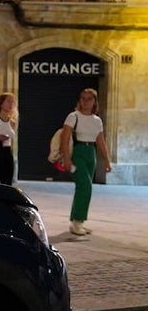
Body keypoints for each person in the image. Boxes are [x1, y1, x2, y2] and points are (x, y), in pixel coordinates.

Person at [60, 88, 112, 236]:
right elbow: (64, 139)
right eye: (83, 98)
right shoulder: (73, 116)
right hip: (78, 152)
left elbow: (101, 141)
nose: (85, 101)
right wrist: (67, 158)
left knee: (83, 188)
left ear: (94, 102)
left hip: (91, 153)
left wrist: (107, 161)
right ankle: (77, 221)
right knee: (85, 186)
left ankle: (79, 221)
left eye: (89, 99)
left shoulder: (97, 120)